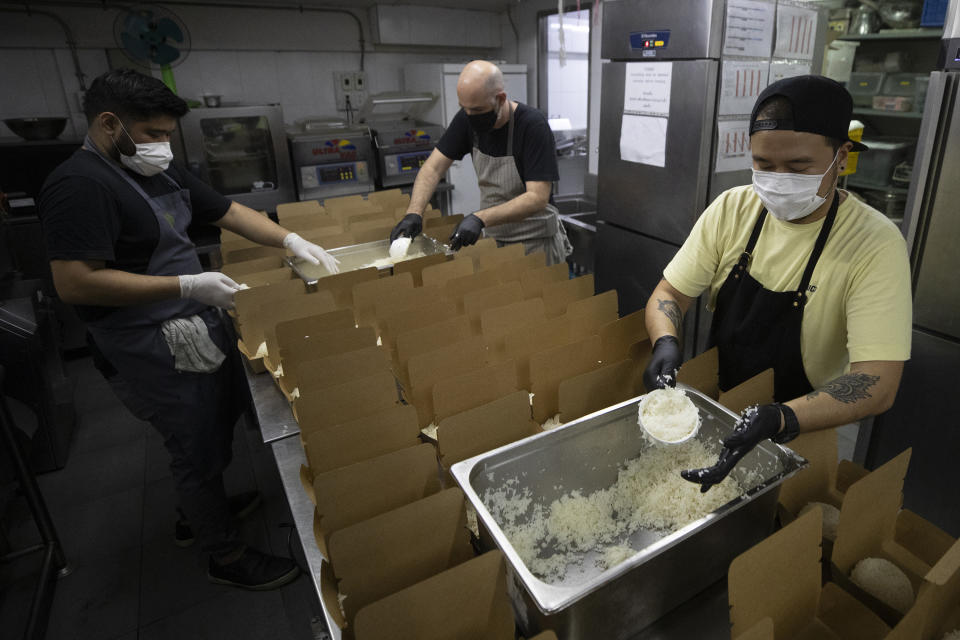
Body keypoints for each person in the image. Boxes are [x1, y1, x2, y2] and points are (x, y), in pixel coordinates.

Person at [38, 69, 338, 589]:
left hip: (192, 328)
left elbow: (227, 211)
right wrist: (185, 286)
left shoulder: (155, 172)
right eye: (153, 135)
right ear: (110, 125)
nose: (162, 146)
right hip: (146, 343)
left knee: (213, 426)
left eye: (167, 136)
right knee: (191, 444)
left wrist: (291, 241)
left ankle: (200, 509)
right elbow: (75, 283)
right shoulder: (79, 185)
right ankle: (223, 553)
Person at [642, 76, 912, 490]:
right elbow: (670, 293)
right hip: (721, 413)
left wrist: (782, 417)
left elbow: (878, 381)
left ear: (841, 157)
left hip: (802, 432)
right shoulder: (733, 209)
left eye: (799, 167)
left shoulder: (873, 243)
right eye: (764, 165)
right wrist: (665, 340)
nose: (778, 179)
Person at [389, 60, 573, 265]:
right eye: (464, 109)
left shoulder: (532, 125)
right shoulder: (467, 118)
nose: (469, 116)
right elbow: (433, 168)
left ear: (500, 98)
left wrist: (480, 218)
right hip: (495, 240)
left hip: (537, 243)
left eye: (477, 110)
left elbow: (537, 197)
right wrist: (414, 213)